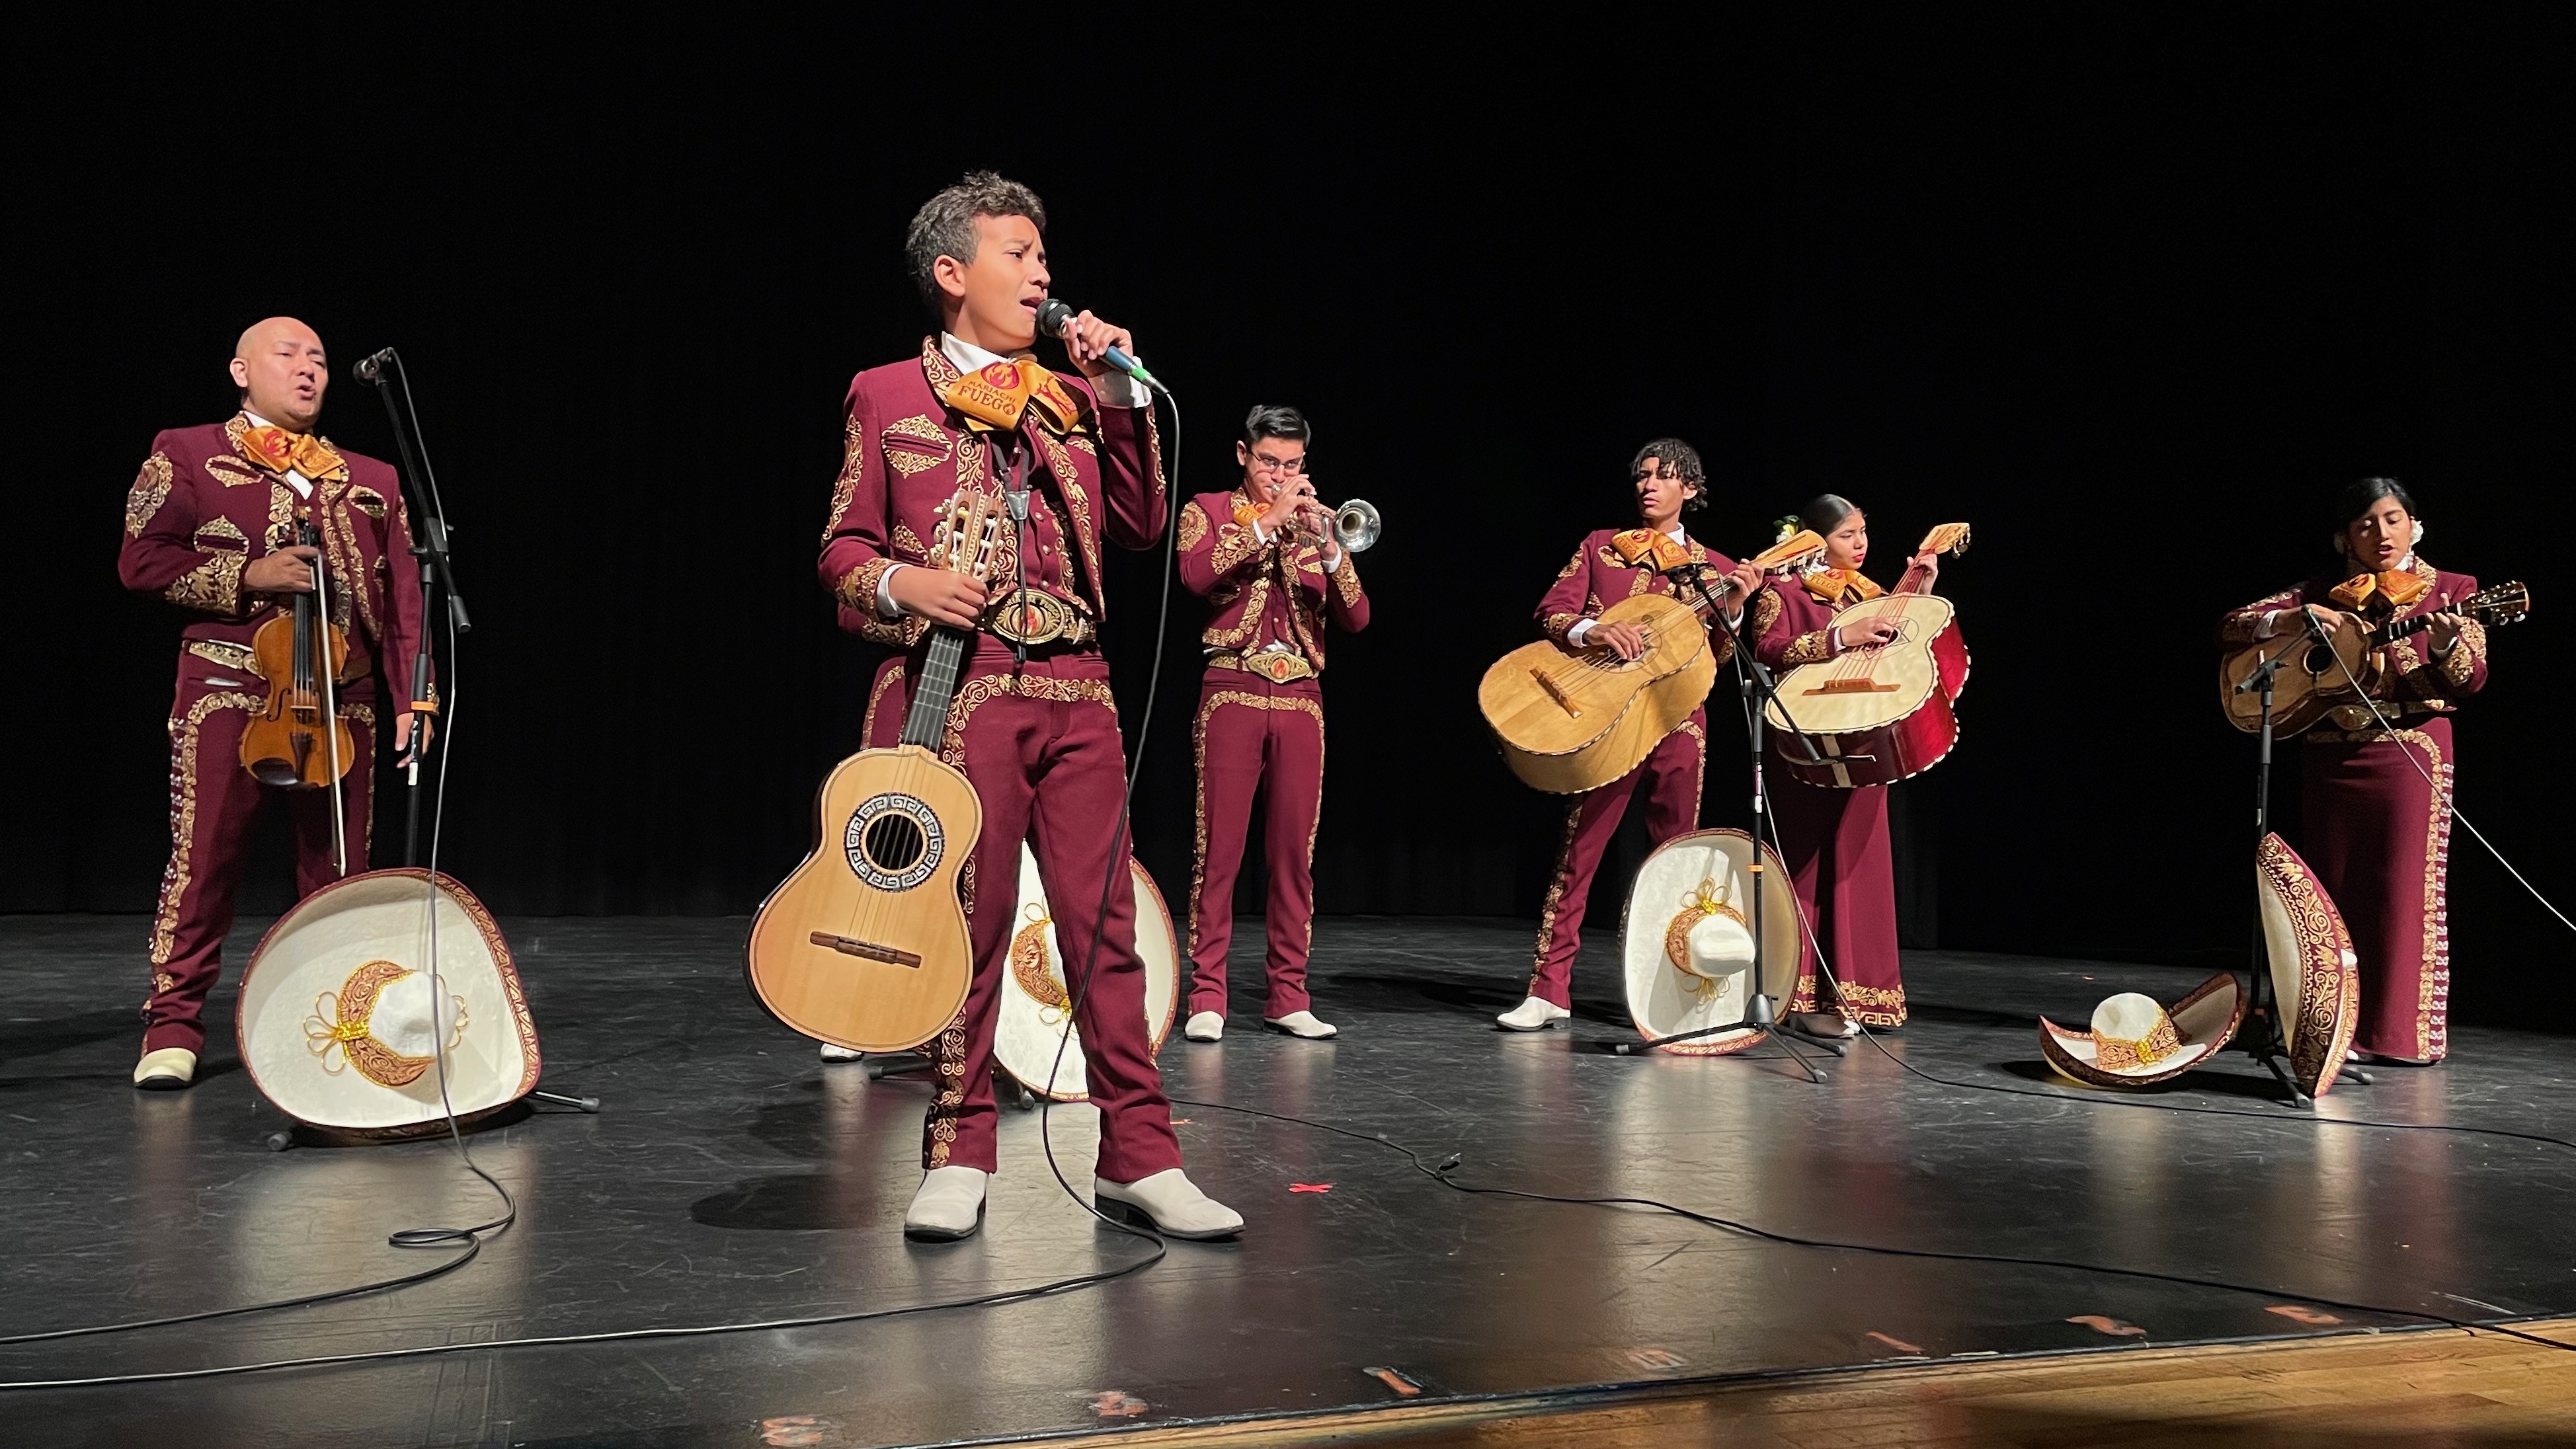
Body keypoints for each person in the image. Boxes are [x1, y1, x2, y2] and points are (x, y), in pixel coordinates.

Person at [817, 172, 1240, 1240]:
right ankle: (959, 1148)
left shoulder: (1074, 398)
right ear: (952, 275)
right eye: (1018, 253)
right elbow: (841, 550)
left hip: (1078, 683)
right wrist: (906, 585)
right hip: (964, 688)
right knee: (971, 920)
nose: (1043, 273)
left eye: (1045, 256)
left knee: (1107, 928)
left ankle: (1141, 1155)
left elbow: (1144, 528)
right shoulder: (887, 391)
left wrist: (1125, 395)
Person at [116, 317, 429, 1089]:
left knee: (340, 868)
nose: (308, 370)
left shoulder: (371, 477)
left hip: (341, 699)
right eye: (288, 355)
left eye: (318, 359)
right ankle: (174, 1022)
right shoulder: (187, 451)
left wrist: (409, 697)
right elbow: (142, 560)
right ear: (240, 370)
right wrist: (250, 578)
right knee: (206, 859)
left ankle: (340, 1020)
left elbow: (404, 601)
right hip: (228, 688)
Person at [2218, 477, 2487, 1065]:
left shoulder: (2452, 590)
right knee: (2332, 892)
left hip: (2409, 752)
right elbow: (2235, 623)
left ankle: (2398, 1037)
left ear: (2415, 527)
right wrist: (2293, 622)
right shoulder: (2322, 592)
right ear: (2345, 538)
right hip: (2329, 752)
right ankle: (2335, 1030)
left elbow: (2469, 679)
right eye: (2366, 524)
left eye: (2392, 520)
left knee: (2400, 894)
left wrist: (2444, 649)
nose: (2381, 533)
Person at [1498, 440, 1761, 1031]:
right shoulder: (1602, 547)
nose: (1649, 486)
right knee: (1581, 849)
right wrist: (1594, 632)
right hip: (1607, 718)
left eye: (1665, 478)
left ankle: (1669, 995)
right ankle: (1549, 990)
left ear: (1690, 490)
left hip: (1678, 721)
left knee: (1676, 861)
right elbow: (1553, 611)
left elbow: (1717, 658)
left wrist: (1738, 606)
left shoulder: (1713, 569)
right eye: (1643, 476)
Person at [1174, 405, 1369, 1043]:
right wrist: (1268, 523)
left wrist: (1332, 549)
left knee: (1294, 856)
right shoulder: (1207, 508)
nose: (1279, 475)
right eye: (1268, 462)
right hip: (1231, 688)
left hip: (1302, 697)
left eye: (1291, 465)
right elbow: (1195, 574)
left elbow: (1358, 618)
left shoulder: (1317, 527)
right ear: (1242, 454)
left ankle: (1289, 995)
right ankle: (1208, 996)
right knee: (1220, 851)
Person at [1748, 494, 1937, 1038]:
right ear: (1814, 540)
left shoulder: (1876, 596)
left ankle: (1854, 995)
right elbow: (1767, 648)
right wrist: (1837, 638)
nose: (1860, 544)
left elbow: (1906, 654)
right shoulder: (1783, 590)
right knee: (1805, 862)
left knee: (1860, 860)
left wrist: (1919, 594)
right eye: (1847, 535)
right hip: (1804, 739)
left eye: (1863, 533)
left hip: (1862, 734)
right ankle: (1802, 998)